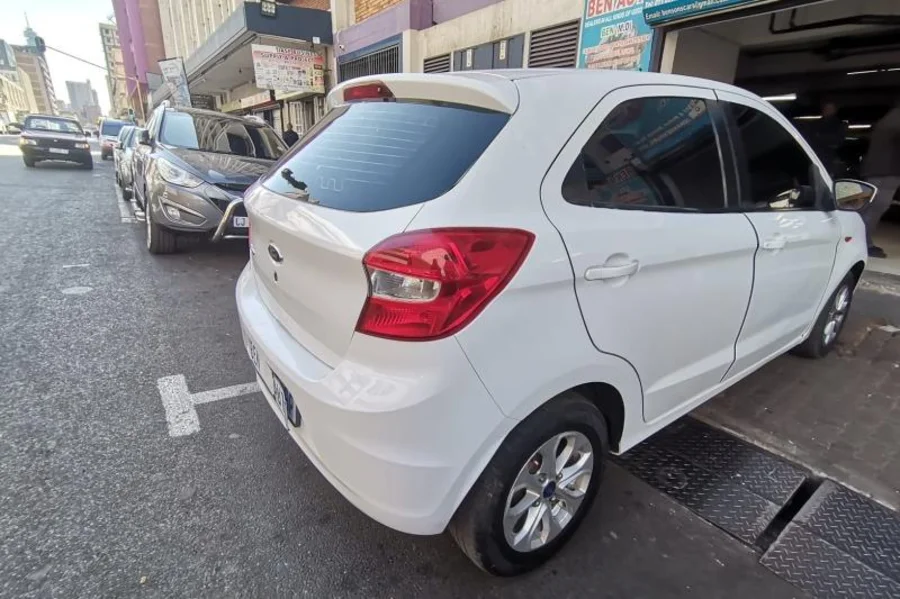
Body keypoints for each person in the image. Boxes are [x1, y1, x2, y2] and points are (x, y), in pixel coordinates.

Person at [861, 103, 900, 258]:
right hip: (887, 171)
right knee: (876, 208)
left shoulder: (889, 118)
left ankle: (860, 240)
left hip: (876, 169)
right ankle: (864, 243)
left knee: (866, 208)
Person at [808, 101, 846, 178]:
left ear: (835, 110)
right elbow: (811, 138)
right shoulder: (814, 124)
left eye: (830, 109)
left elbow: (838, 140)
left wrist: (820, 137)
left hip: (831, 159)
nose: (827, 111)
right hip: (817, 157)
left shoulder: (839, 124)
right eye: (826, 109)